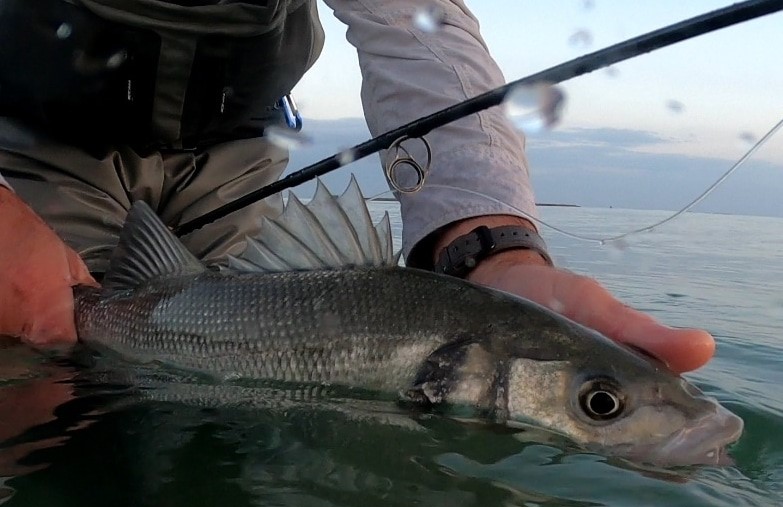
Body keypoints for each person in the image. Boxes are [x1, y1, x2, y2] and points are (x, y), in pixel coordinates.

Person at [0, 0, 714, 373]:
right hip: (41, 140)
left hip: (231, 150)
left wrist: (488, 246)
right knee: (60, 374)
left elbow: (414, 26)